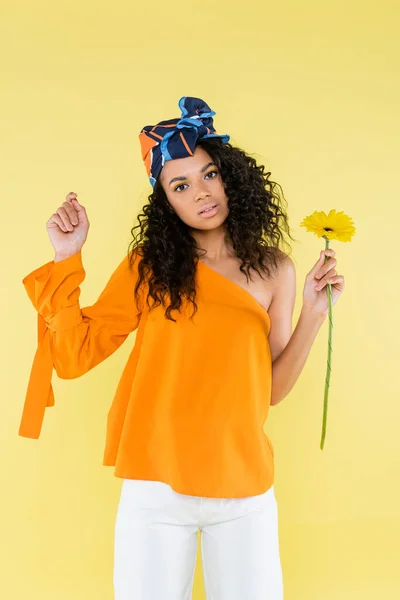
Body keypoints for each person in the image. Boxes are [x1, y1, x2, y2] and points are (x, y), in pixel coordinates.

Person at [19, 97, 344, 600]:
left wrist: (314, 315)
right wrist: (67, 258)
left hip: (243, 486)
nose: (202, 193)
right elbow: (74, 355)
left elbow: (272, 391)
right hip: (156, 484)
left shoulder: (275, 269)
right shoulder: (148, 265)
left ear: (230, 175)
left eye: (209, 174)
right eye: (181, 185)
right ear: (165, 201)